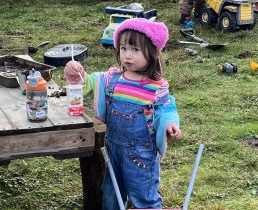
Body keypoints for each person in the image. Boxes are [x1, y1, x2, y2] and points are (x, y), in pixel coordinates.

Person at [64, 18, 182, 209]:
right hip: (113, 149)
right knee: (111, 195)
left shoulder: (155, 87)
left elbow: (166, 108)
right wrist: (76, 73)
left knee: (143, 196)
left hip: (141, 155)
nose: (128, 55)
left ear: (152, 53)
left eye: (135, 50)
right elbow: (87, 83)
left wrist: (169, 123)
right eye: (123, 48)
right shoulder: (112, 79)